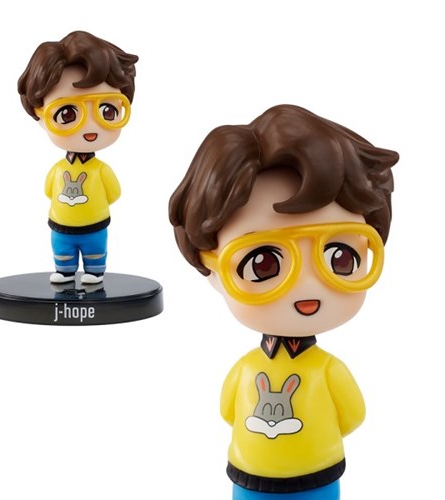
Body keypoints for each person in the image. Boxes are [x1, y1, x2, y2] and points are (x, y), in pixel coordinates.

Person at [169, 105, 399, 499]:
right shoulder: (250, 369)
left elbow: (231, 412)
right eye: (264, 264)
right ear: (212, 269)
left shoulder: (323, 370)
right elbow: (349, 417)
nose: (308, 286)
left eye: (339, 258)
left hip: (317, 478)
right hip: (251, 477)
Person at [18, 31, 138, 284]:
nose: (90, 127)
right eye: (68, 114)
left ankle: (95, 271)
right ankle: (65, 270)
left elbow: (113, 194)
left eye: (107, 110)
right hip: (61, 226)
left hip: (95, 226)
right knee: (62, 251)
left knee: (95, 250)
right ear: (40, 116)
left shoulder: (100, 170)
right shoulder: (58, 169)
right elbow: (49, 191)